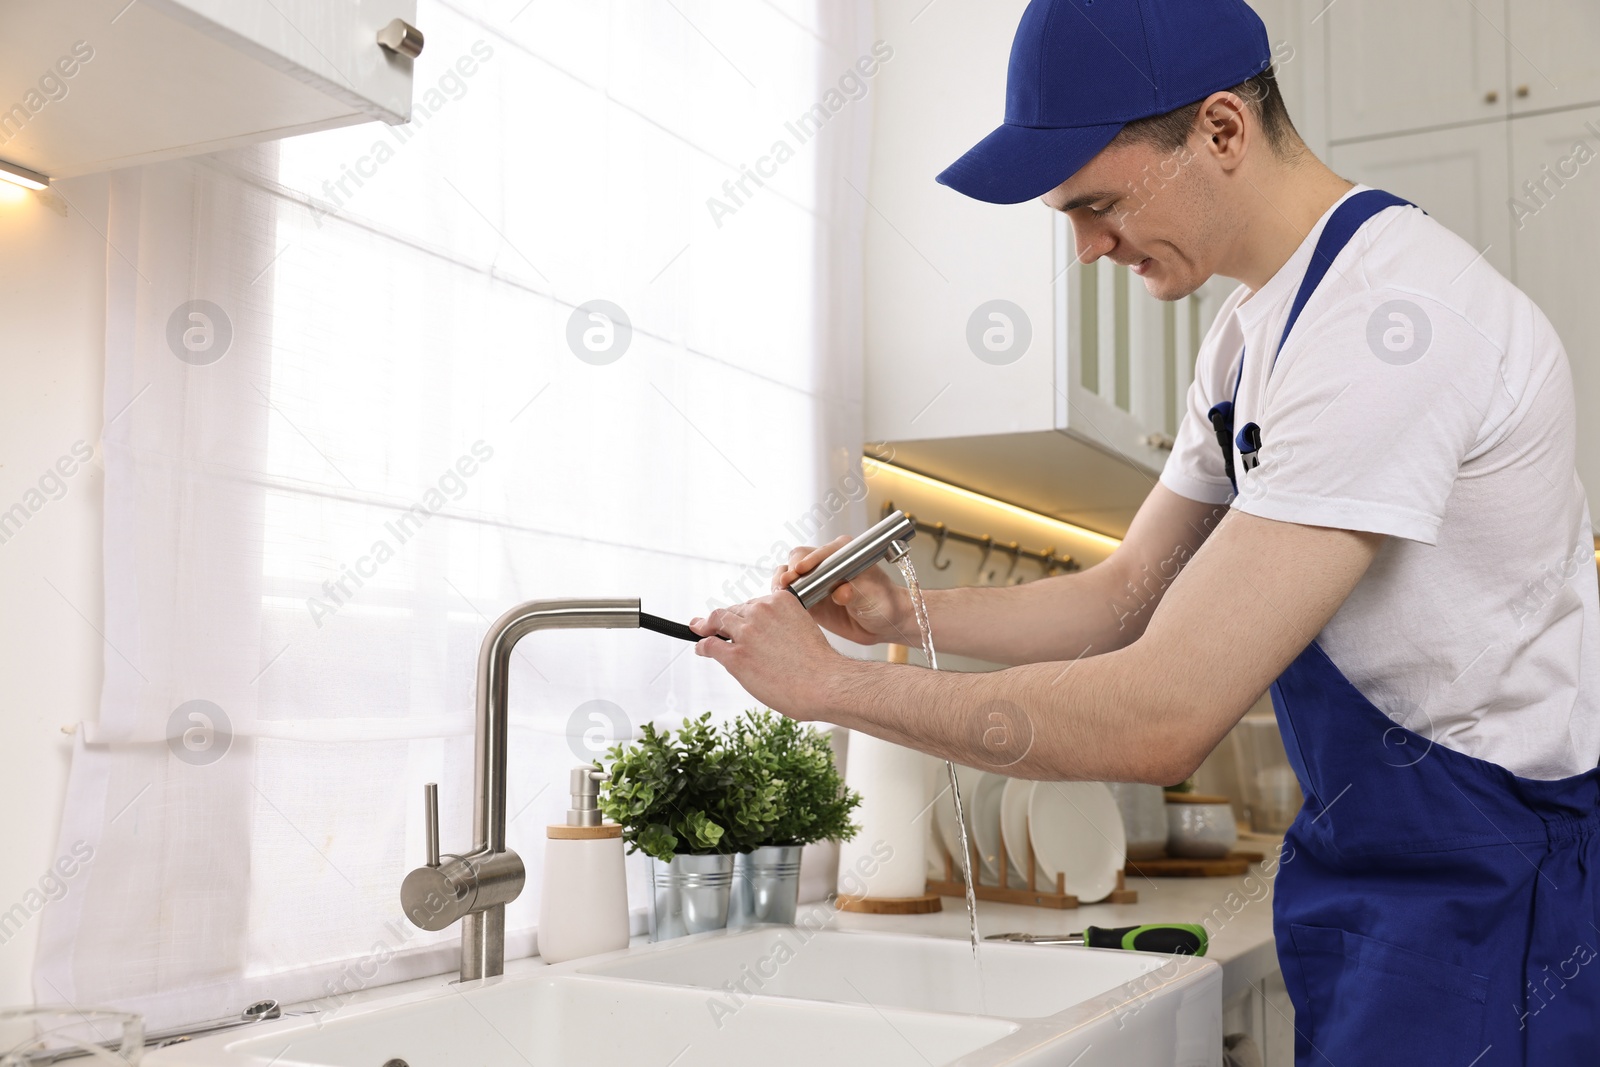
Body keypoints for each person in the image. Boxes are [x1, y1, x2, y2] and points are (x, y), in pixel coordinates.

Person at [688, 0, 1600, 1062]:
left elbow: (1164, 710)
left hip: (1492, 891)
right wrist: (906, 612)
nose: (1081, 249)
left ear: (1220, 130)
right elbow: (1124, 596)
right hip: (1377, 874)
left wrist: (828, 688)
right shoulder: (1248, 336)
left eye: (1099, 202)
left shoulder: (1389, 322)